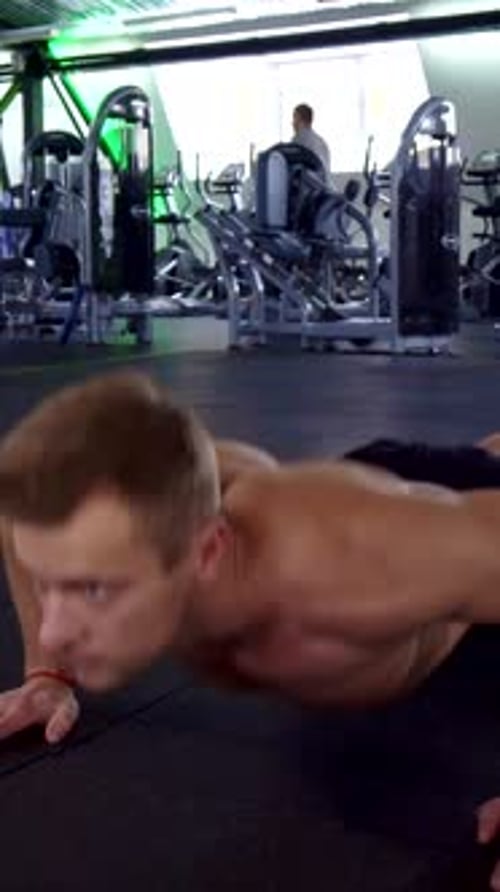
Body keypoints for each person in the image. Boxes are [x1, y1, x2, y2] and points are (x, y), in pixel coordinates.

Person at [2, 371, 500, 885]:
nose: (55, 633)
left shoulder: (347, 575)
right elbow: (22, 511)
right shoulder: (129, 514)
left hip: (420, 543)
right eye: (50, 583)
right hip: (364, 490)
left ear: (208, 551)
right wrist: (48, 674)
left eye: (93, 590)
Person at [292, 103, 331, 179]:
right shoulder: (321, 141)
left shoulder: (299, 139)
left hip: (308, 187)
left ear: (301, 120)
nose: (293, 123)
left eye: (294, 118)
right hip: (324, 187)